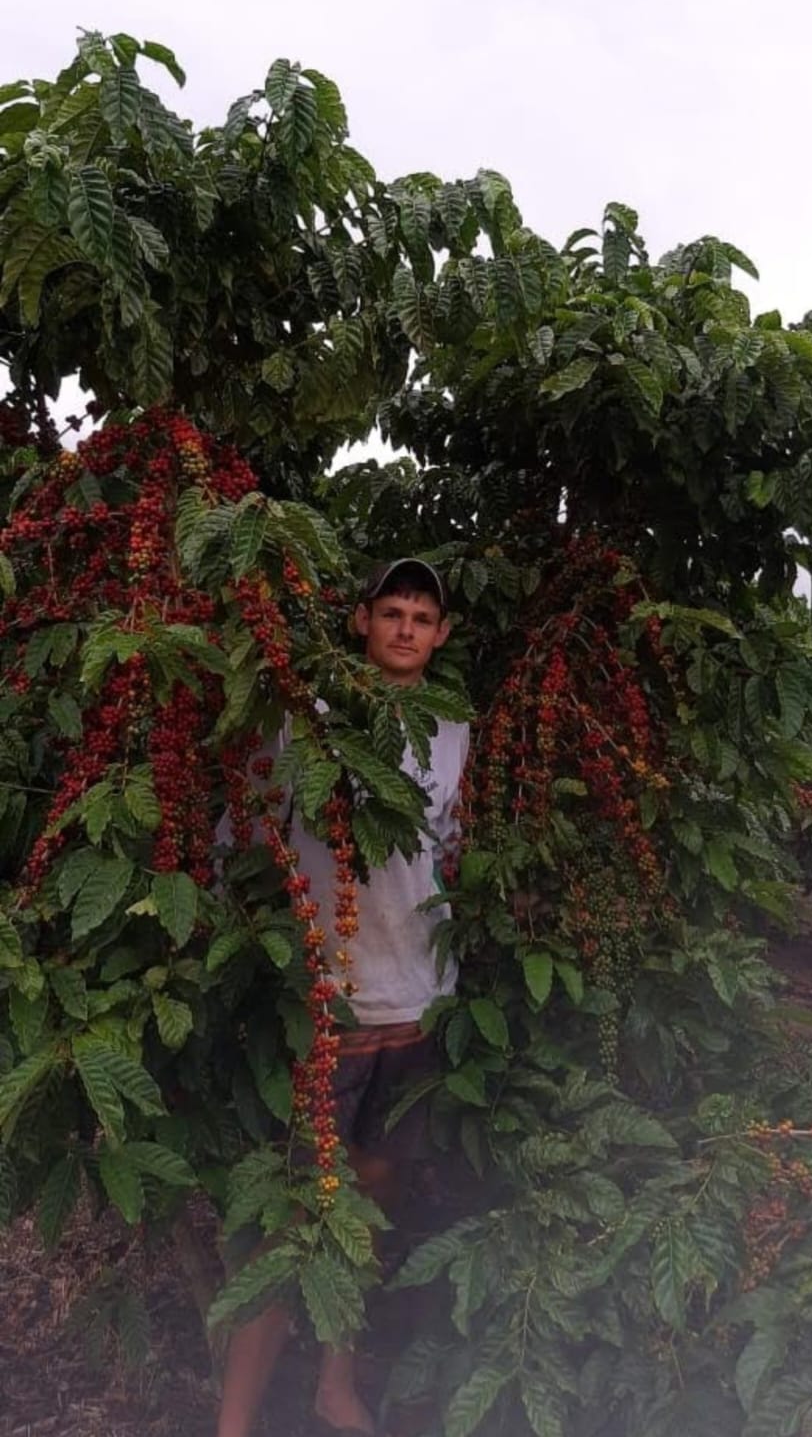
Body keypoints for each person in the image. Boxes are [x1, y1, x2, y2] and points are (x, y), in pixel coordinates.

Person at [216, 558, 469, 1437]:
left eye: (422, 615)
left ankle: (333, 1385)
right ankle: (236, 1421)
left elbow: (451, 843)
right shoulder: (306, 720)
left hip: (418, 1001)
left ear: (441, 635)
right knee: (293, 1226)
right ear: (361, 621)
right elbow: (242, 833)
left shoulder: (451, 730)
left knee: (365, 1217)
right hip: (328, 1008)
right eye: (391, 611)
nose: (406, 627)